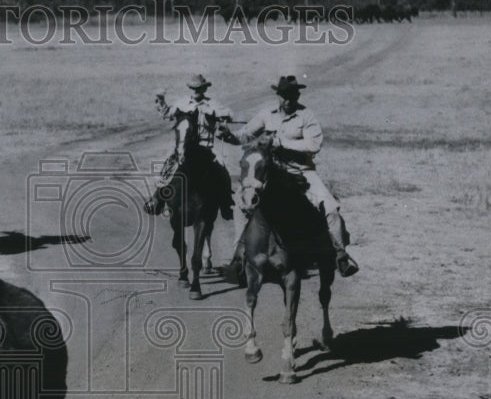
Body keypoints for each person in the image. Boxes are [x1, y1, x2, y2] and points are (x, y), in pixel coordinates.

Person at [240, 75, 359, 277]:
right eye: (284, 96)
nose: (288, 100)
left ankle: (340, 255)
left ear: (297, 95)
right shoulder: (266, 114)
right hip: (272, 173)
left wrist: (281, 143)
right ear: (278, 96)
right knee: (246, 201)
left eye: (292, 96)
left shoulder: (307, 116)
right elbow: (245, 134)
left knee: (330, 208)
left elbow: (314, 145)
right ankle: (241, 252)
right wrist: (225, 133)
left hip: (302, 172)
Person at [144, 74, 235, 220]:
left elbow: (230, 115)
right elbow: (167, 113)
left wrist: (213, 113)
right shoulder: (182, 103)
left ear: (204, 89)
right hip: (183, 146)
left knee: (222, 168)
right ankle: (157, 199)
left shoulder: (212, 104)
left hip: (207, 146)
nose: (195, 91)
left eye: (199, 88)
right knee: (167, 164)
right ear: (190, 88)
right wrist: (161, 100)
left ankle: (226, 203)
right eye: (193, 88)